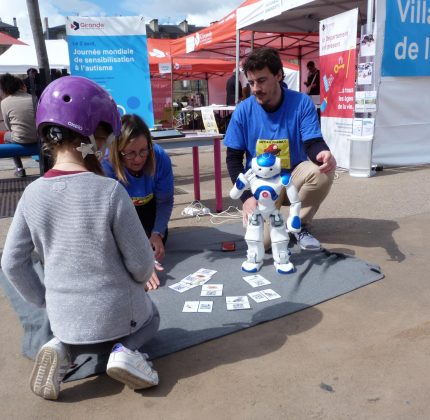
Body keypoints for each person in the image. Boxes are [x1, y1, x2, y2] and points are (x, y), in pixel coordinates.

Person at [1, 76, 160, 400]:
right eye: (103, 139)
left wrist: (45, 299)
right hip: (120, 314)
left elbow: (12, 263)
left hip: (63, 318)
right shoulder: (110, 191)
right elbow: (143, 266)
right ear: (93, 136)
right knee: (152, 317)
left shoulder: (31, 195)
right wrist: (140, 275)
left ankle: (61, 349)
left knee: (76, 333)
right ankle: (125, 352)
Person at [224, 47, 337, 250]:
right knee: (263, 245)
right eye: (251, 82)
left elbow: (312, 142)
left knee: (321, 172)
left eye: (261, 80)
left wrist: (323, 153)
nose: (256, 88)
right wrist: (246, 198)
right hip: (261, 184)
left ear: (278, 75)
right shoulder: (243, 110)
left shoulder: (301, 102)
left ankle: (299, 225)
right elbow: (233, 158)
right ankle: (276, 223)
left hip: (292, 176)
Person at [102, 114, 174, 290]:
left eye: (143, 151)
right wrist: (141, 262)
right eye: (130, 153)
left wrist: (158, 233)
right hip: (119, 214)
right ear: (118, 151)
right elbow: (111, 219)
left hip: (149, 208)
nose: (138, 159)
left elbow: (165, 201)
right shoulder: (106, 164)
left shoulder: (159, 157)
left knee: (156, 245)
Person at [0, 73, 38, 177]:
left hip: (21, 138)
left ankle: (20, 168)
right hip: (39, 137)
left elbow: (8, 127)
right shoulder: (34, 98)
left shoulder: (5, 102)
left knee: (6, 136)